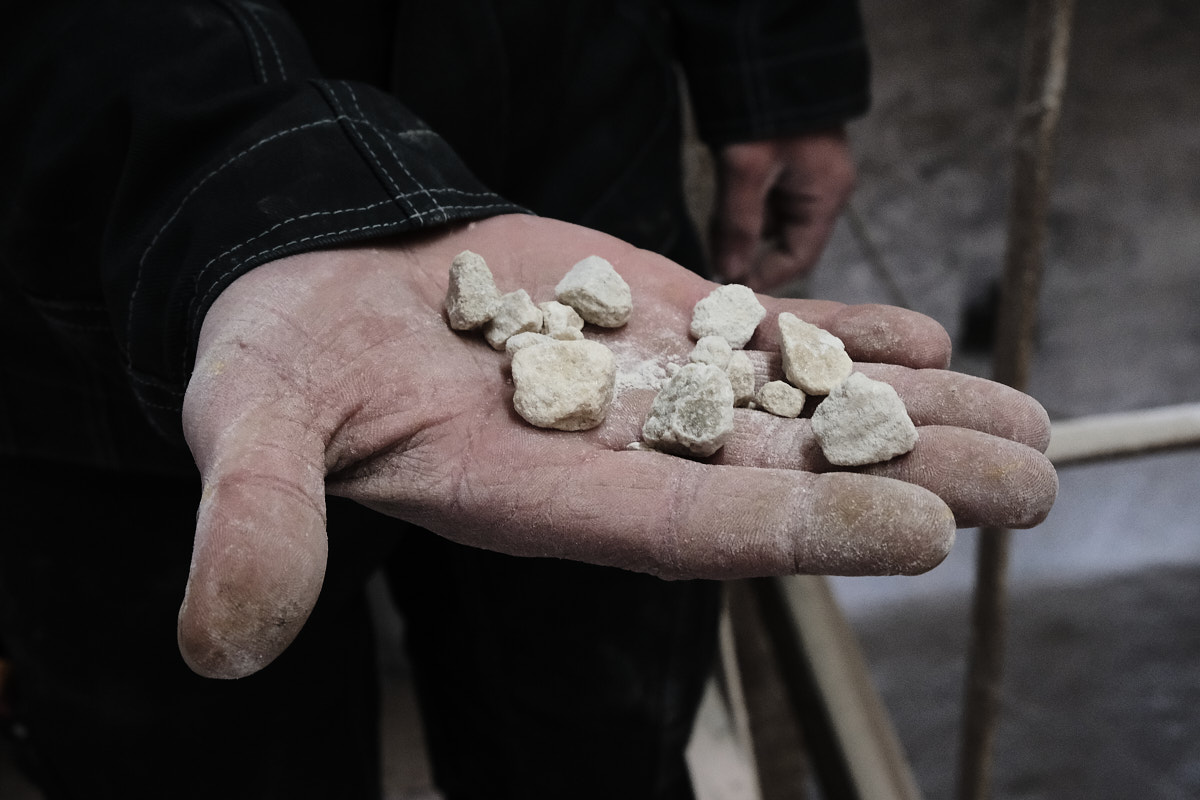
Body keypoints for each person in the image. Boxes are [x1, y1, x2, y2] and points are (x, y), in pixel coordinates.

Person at [0, 1, 1058, 798]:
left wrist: (777, 60)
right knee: (201, 752)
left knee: (593, 737)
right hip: (109, 300)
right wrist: (232, 185)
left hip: (578, 159)